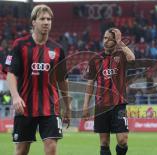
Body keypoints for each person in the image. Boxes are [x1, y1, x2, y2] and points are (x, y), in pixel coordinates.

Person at [5, 4, 71, 155]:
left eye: (49, 19)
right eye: (42, 19)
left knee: (51, 146)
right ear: (33, 22)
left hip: (51, 106)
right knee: (21, 150)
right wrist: (15, 96)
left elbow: (62, 80)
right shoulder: (20, 45)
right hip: (25, 106)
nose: (46, 22)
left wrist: (67, 106)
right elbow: (11, 73)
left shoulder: (58, 49)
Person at [82, 28, 135, 155]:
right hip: (101, 106)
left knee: (123, 140)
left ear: (115, 41)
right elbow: (90, 84)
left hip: (119, 104)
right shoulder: (95, 59)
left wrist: (120, 42)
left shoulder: (121, 56)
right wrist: (85, 106)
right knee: (104, 143)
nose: (106, 41)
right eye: (105, 38)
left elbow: (132, 59)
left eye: (110, 39)